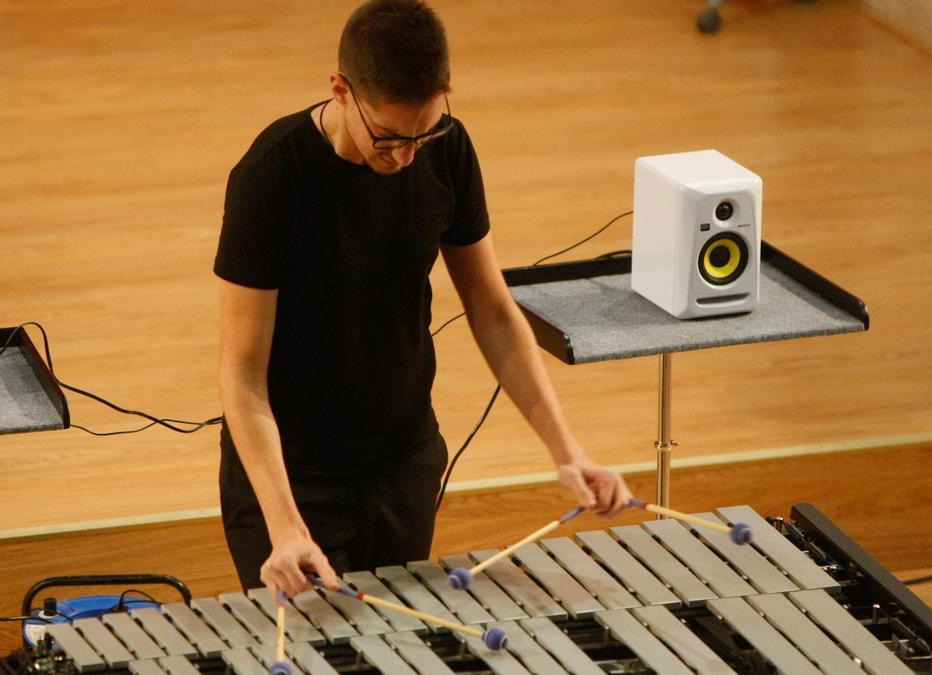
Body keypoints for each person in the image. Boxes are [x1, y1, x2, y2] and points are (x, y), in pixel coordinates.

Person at [214, 0, 631, 598]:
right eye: (387, 139)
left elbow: (491, 310)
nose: (406, 155)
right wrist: (285, 528)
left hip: (404, 460)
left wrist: (568, 453)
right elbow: (242, 377)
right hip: (293, 473)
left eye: (424, 132)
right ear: (339, 90)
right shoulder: (272, 178)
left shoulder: (447, 148)